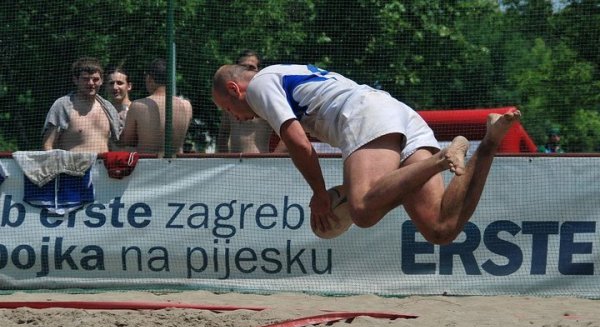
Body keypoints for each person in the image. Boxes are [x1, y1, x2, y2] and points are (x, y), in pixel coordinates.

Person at [212, 63, 522, 244]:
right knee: (440, 229)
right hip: (396, 113)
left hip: (365, 113)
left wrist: (321, 194)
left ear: (234, 89)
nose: (236, 117)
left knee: (362, 210)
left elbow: (298, 143)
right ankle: (489, 142)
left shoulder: (259, 85)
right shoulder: (281, 77)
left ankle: (441, 158)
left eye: (228, 109)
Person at [42, 57, 121, 153]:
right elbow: (48, 145)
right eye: (86, 79)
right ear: (75, 80)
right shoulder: (62, 106)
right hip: (72, 166)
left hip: (103, 166)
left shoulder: (109, 108)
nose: (91, 83)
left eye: (95, 79)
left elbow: (116, 145)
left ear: (101, 81)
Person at [119, 58, 193, 156]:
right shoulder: (186, 106)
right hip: (176, 166)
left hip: (148, 165)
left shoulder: (138, 106)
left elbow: (128, 141)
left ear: (149, 79)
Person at [217, 50, 276, 153]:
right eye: (242, 67)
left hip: (260, 164)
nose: (247, 72)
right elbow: (223, 135)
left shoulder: (266, 97)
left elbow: (288, 133)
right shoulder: (230, 100)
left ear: (259, 70)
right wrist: (223, 160)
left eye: (251, 68)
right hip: (233, 164)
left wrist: (275, 158)